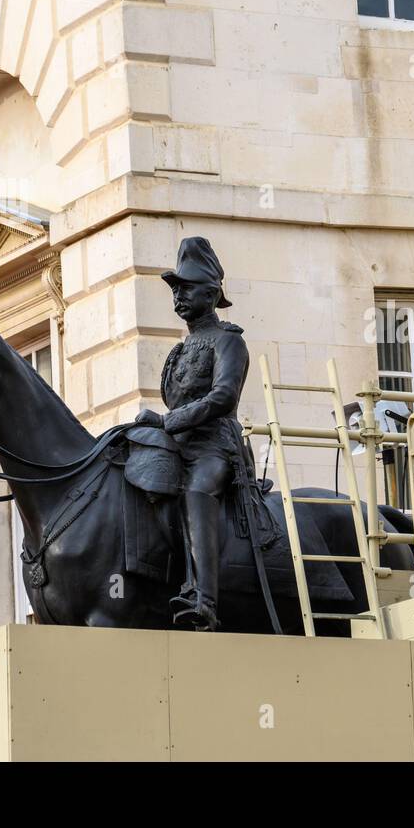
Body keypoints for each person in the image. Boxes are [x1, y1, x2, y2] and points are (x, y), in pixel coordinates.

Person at [134, 237, 249, 630]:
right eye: (175, 290)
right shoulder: (178, 352)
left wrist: (168, 422)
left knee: (197, 491)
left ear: (212, 293)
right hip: (177, 444)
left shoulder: (228, 341)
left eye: (186, 288)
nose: (178, 297)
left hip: (214, 446)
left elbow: (222, 397)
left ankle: (205, 598)